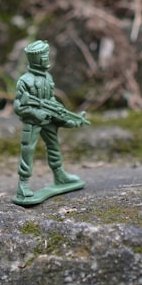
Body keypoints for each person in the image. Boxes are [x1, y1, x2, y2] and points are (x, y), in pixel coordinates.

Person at [12, 40, 87, 205]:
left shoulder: (47, 77)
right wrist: (36, 113)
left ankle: (59, 175)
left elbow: (50, 98)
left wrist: (60, 112)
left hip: (48, 119)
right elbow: (18, 106)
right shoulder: (25, 80)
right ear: (37, 59)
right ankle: (23, 185)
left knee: (54, 146)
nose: (47, 59)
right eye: (44, 56)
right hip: (32, 122)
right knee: (28, 151)